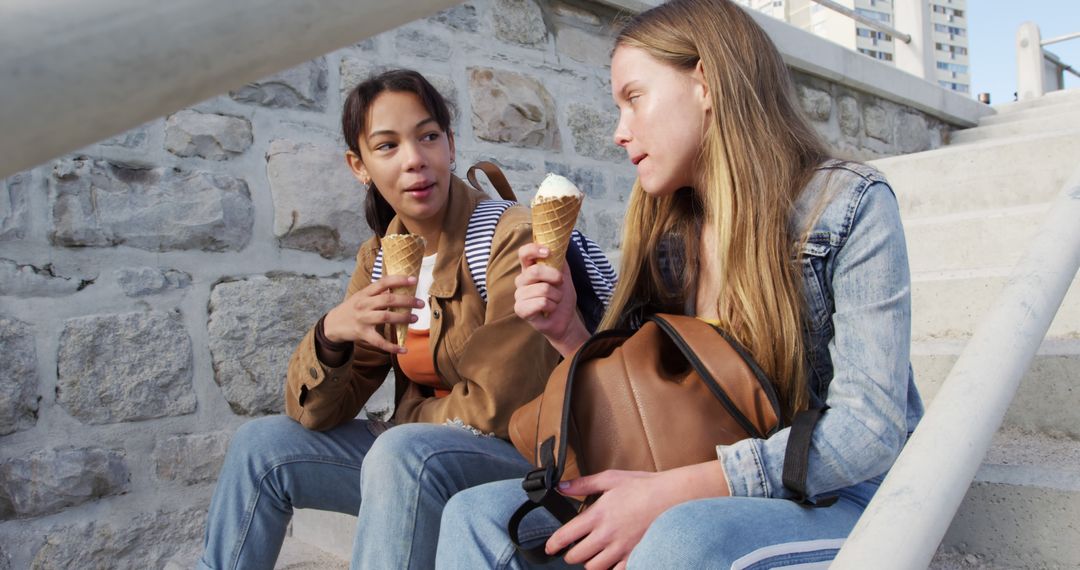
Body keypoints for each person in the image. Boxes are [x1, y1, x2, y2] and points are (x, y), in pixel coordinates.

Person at [434, 0, 925, 568]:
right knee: (474, 516)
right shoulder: (667, 226)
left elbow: (868, 431)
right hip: (684, 475)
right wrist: (568, 331)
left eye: (633, 98)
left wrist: (670, 493)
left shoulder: (847, 205)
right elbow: (651, 406)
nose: (619, 133)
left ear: (706, 84)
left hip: (838, 495)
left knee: (681, 535)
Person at [196, 69, 562, 570]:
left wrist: (396, 427)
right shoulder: (380, 257)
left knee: (400, 452)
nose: (415, 160)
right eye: (387, 146)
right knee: (261, 447)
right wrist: (330, 337)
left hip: (521, 457)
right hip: (415, 452)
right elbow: (318, 415)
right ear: (359, 166)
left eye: (428, 137)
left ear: (450, 145)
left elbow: (499, 408)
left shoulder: (508, 235)